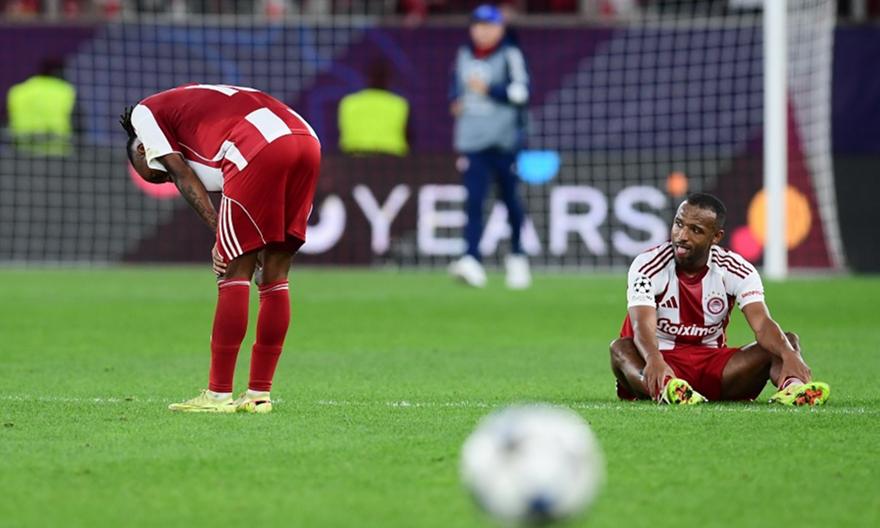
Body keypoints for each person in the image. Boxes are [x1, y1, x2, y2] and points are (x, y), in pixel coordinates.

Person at [119, 83, 321, 413]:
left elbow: (182, 175)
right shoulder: (194, 110)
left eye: (157, 176)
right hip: (306, 139)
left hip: (255, 146)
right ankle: (259, 395)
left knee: (233, 270)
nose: (164, 178)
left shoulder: (145, 114)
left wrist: (220, 233)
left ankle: (217, 395)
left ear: (143, 151)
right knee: (274, 274)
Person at [609, 193, 830, 406]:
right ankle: (669, 389)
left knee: (786, 342)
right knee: (620, 348)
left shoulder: (735, 269)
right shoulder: (648, 265)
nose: (682, 236)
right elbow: (642, 325)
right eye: (679, 224)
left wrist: (790, 355)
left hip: (715, 367)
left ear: (716, 237)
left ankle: (795, 389)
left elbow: (762, 324)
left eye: (695, 230)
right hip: (659, 362)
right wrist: (654, 360)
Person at [447, 3, 531, 289]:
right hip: (472, 141)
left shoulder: (510, 55)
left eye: (488, 26)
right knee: (473, 201)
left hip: (503, 141)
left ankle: (517, 256)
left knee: (510, 201)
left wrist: (490, 90)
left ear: (500, 29)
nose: (482, 31)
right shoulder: (463, 54)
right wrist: (455, 102)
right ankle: (471, 258)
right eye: (478, 25)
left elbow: (521, 92)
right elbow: (455, 88)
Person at [338, 58, 410, 156]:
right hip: (391, 160)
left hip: (355, 159)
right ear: (388, 78)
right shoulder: (399, 104)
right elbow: (409, 137)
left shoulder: (349, 103)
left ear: (367, 78)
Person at [6, 58, 76, 157]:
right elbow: (78, 123)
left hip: (22, 154)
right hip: (57, 154)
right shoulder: (66, 91)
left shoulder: (18, 91)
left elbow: (7, 120)